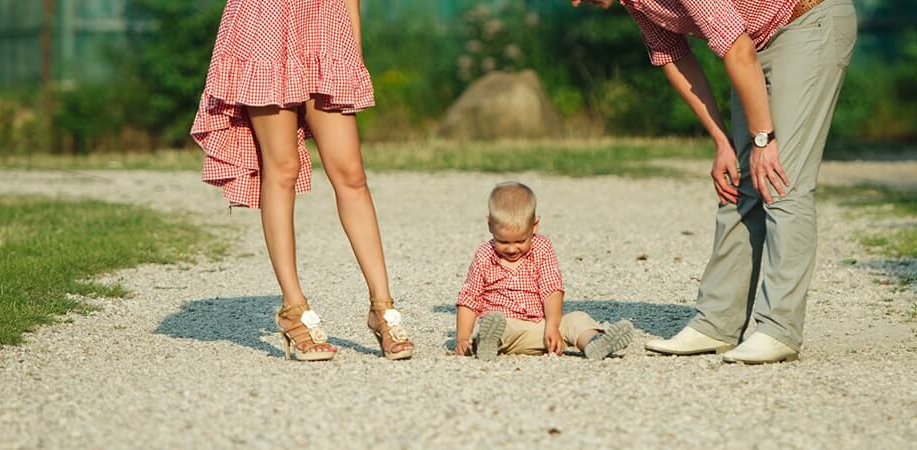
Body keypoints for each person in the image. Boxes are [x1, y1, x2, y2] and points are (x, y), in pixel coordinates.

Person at [571, 0, 857, 363]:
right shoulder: (635, 2)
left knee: (781, 178)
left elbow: (736, 48)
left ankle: (779, 329)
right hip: (758, 42)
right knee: (740, 181)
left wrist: (762, 139)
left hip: (808, 23)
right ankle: (717, 323)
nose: (575, 2)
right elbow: (673, 56)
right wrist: (722, 140)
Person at [189, 0, 413, 361]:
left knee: (351, 173)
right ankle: (293, 308)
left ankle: (382, 306)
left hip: (326, 27)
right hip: (266, 27)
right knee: (282, 169)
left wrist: (352, 55)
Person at [452, 182, 635, 360]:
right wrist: (462, 338)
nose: (512, 249)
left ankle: (595, 343)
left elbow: (552, 288)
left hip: (543, 328)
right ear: (490, 225)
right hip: (507, 328)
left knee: (576, 319)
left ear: (535, 225)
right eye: (504, 242)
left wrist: (553, 326)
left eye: (520, 241)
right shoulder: (485, 255)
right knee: (493, 323)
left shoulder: (542, 248)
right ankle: (484, 344)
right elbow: (470, 297)